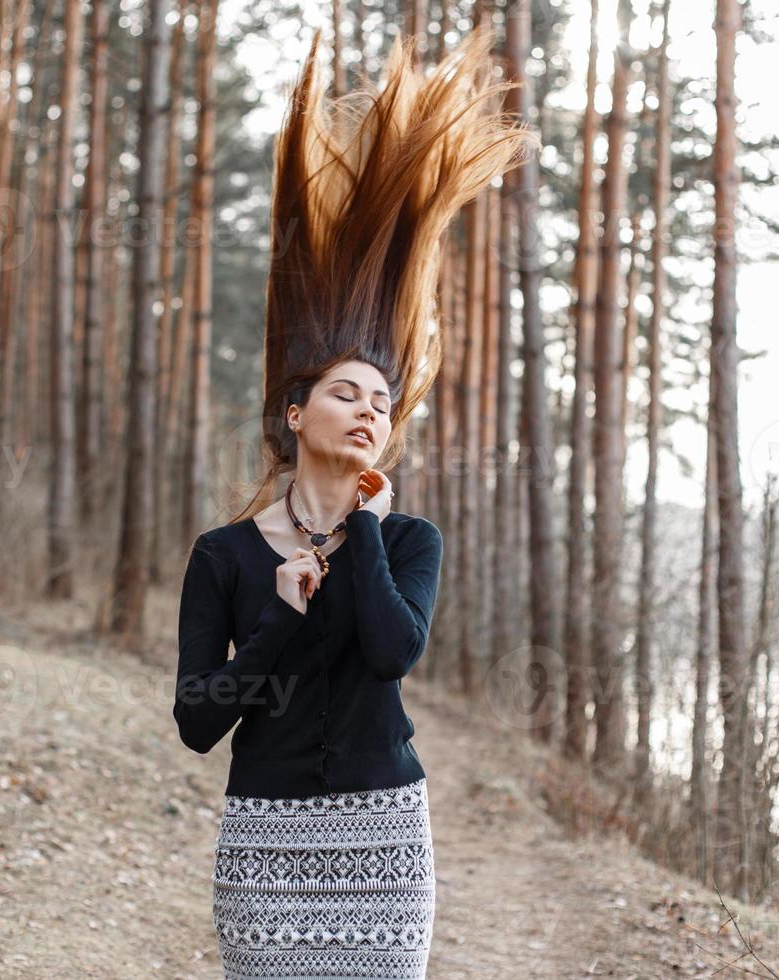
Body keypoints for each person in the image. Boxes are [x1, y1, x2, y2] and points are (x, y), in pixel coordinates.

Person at [174, 22, 538, 980]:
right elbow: (199, 719)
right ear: (294, 413)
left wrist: (365, 529)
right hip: (265, 842)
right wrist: (277, 624)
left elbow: (391, 651)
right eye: (344, 392)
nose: (368, 411)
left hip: (385, 837)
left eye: (382, 401)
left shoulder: (409, 538)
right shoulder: (225, 554)